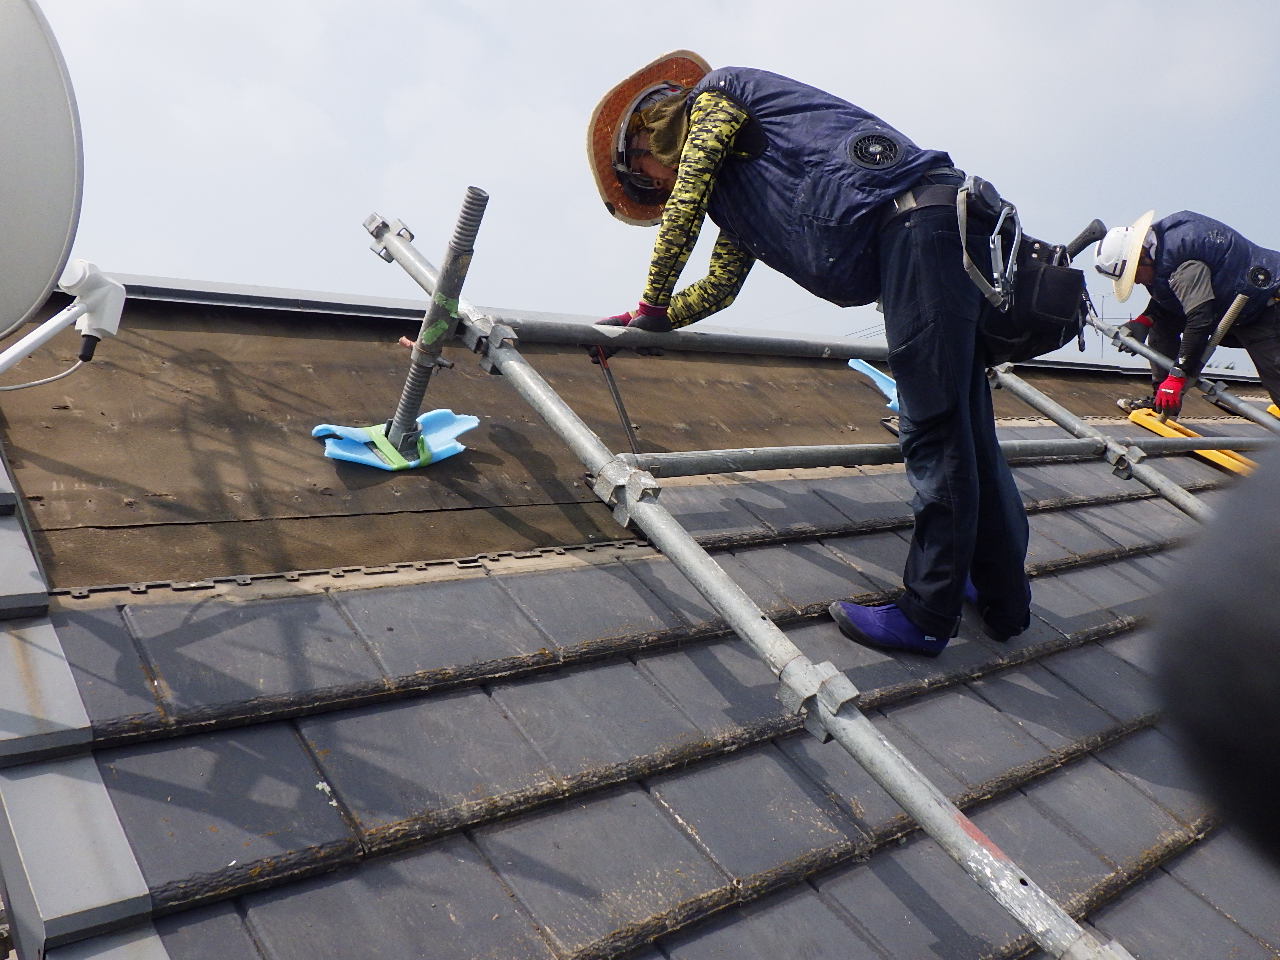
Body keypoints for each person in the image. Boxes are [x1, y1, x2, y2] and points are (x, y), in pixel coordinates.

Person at [587, 52, 1031, 657]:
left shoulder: (718, 97)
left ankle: (928, 614)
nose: (655, 190)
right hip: (935, 236)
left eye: (644, 175)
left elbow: (685, 205)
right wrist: (645, 322)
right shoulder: (736, 196)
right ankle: (1005, 601)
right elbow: (718, 287)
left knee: (936, 435)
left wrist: (651, 300)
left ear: (650, 137)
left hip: (919, 230)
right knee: (970, 433)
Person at [1095, 210, 1280, 416]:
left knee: (1275, 374)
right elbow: (1171, 299)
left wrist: (1177, 376)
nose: (1136, 282)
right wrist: (1144, 320)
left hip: (1266, 303)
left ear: (1142, 257)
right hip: (1235, 309)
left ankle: (1169, 389)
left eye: (1133, 275)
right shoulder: (1161, 253)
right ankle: (1162, 401)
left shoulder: (1184, 266)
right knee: (1161, 326)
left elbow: (1200, 320)